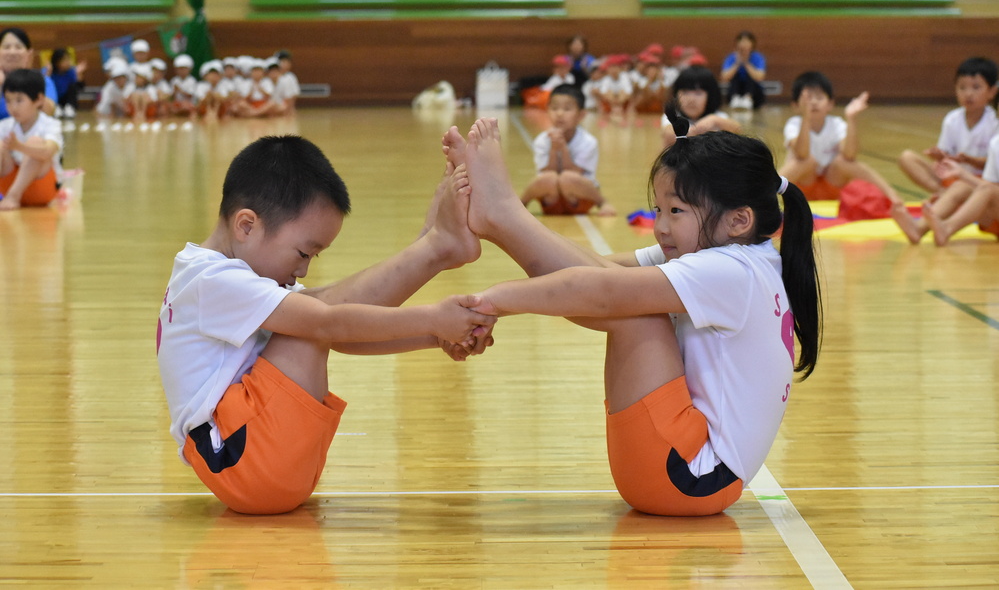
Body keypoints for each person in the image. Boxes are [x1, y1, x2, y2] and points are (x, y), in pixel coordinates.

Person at [442, 114, 820, 516]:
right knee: (622, 292)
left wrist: (493, 302)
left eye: (676, 211)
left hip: (687, 477)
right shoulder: (740, 255)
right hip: (689, 473)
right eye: (659, 209)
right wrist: (508, 245)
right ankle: (501, 218)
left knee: (635, 308)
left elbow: (602, 294)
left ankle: (503, 215)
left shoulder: (731, 272)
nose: (660, 227)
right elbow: (592, 270)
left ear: (738, 220)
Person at [156, 134, 496, 514]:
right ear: (247, 226)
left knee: (315, 313)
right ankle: (435, 248)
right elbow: (330, 324)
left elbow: (341, 332)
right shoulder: (211, 281)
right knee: (315, 317)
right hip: (243, 458)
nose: (302, 268)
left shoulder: (214, 275)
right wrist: (432, 317)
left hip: (256, 465)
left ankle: (434, 248)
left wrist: (435, 336)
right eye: (303, 252)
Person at [780, 71, 904, 207]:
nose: (814, 102)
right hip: (802, 187)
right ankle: (761, 195)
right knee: (805, 161)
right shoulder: (794, 124)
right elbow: (802, 154)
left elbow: (850, 155)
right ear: (796, 105)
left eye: (819, 97)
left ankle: (892, 196)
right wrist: (806, 118)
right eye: (808, 98)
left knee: (843, 162)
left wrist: (851, 119)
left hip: (832, 186)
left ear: (830, 104)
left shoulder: (837, 124)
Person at [898, 57, 999, 194]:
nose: (968, 94)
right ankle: (943, 194)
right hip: (953, 177)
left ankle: (953, 200)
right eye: (962, 87)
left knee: (974, 188)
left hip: (980, 183)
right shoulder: (952, 119)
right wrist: (940, 155)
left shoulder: (994, 121)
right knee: (907, 157)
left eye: (976, 87)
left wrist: (970, 160)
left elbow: (993, 165)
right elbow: (945, 157)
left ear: (992, 91)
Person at [519, 84, 615, 217]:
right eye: (554, 108)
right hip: (552, 197)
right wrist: (553, 149)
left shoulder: (588, 142)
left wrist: (563, 148)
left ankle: (602, 202)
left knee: (567, 178)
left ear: (581, 115)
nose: (559, 114)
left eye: (567, 109)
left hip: (579, 195)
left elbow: (575, 173)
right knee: (548, 178)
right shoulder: (542, 140)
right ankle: (520, 204)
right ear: (547, 111)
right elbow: (547, 172)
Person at [894, 132, 999, 245]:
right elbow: (987, 186)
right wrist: (960, 174)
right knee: (961, 186)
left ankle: (947, 227)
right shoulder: (996, 143)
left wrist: (964, 173)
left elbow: (988, 189)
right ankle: (919, 228)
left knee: (985, 189)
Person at [0, 69, 64, 210]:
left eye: (19, 100)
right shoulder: (5, 126)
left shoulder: (50, 124)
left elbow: (48, 151)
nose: (13, 107)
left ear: (39, 100)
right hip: (9, 185)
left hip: (42, 190)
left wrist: (19, 146)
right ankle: (11, 195)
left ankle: (13, 196)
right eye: (8, 101)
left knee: (35, 142)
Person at [661, 66, 741, 148]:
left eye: (698, 93)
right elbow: (669, 135)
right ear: (676, 95)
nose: (691, 99)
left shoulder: (717, 117)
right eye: (685, 92)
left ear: (711, 96)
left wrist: (715, 120)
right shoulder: (674, 117)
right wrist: (697, 130)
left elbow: (737, 130)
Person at [0, 27, 57, 119]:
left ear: (29, 53)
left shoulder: (43, 81)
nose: (12, 52)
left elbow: (48, 113)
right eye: (6, 47)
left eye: (18, 47)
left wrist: (23, 82)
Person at [720, 31, 766, 110]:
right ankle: (735, 99)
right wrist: (737, 64)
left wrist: (746, 63)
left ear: (752, 44)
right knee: (736, 76)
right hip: (735, 91)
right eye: (741, 41)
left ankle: (748, 99)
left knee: (750, 76)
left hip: (754, 94)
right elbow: (724, 78)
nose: (744, 44)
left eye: (746, 41)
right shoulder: (731, 58)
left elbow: (760, 77)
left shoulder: (758, 57)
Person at [46, 48, 85, 119]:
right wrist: (48, 74)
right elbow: (44, 86)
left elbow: (80, 88)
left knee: (72, 86)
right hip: (55, 101)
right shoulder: (49, 71)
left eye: (69, 59)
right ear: (57, 62)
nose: (68, 62)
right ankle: (55, 108)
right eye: (65, 60)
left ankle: (70, 108)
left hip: (67, 101)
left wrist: (79, 75)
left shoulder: (72, 71)